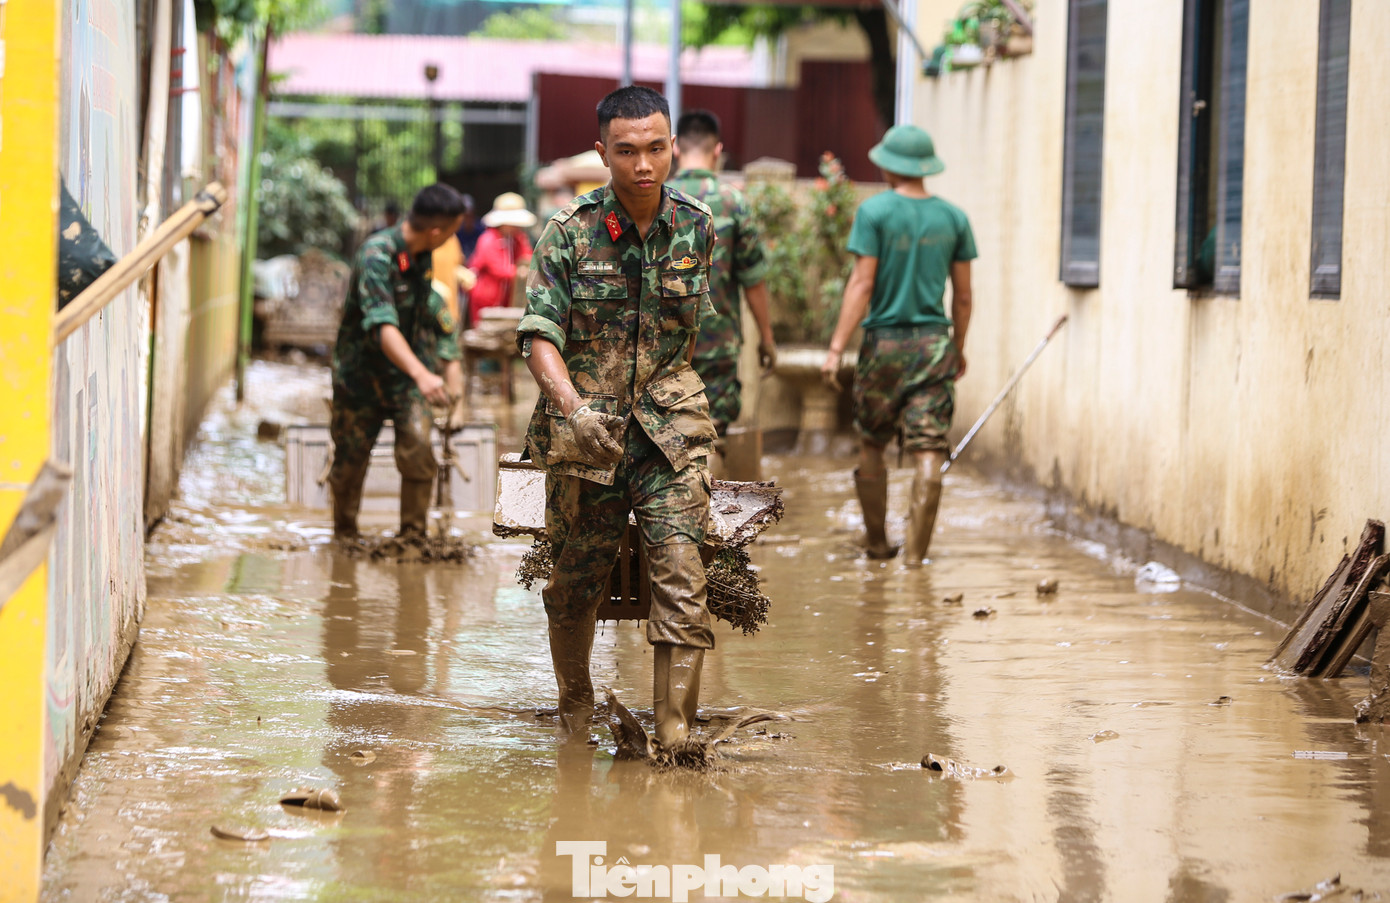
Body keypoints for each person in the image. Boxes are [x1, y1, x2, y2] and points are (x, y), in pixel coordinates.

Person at [516, 85, 718, 756]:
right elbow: (538, 334)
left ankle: (675, 734)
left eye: (656, 149)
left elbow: (688, 341)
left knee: (683, 579)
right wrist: (571, 408)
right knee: (574, 583)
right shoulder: (567, 232)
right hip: (586, 429)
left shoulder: (697, 225)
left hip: (670, 433)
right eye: (627, 151)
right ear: (603, 152)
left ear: (673, 150)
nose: (643, 165)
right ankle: (575, 712)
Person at [820, 125, 976, 565]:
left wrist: (835, 348)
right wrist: (957, 347)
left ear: (890, 165)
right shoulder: (954, 218)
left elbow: (861, 283)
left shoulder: (874, 213)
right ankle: (916, 558)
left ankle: (877, 543)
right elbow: (963, 296)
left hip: (883, 345)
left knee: (872, 442)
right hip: (933, 344)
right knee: (930, 446)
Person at [329, 183, 468, 541]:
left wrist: (454, 390)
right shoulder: (376, 255)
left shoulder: (421, 256)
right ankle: (344, 538)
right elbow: (382, 326)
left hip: (405, 380)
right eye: (453, 231)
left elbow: (432, 317)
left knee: (419, 452)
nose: (454, 239)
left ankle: (412, 540)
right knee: (349, 461)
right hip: (361, 377)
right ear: (437, 230)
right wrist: (423, 374)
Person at [666, 110, 777, 447]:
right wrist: (767, 339)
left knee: (670, 432)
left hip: (665, 343)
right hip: (718, 341)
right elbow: (753, 280)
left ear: (674, 148)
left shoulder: (657, 199)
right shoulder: (733, 202)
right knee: (711, 431)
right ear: (718, 151)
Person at [467, 192, 536, 328]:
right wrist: (519, 272)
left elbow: (528, 257)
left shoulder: (518, 239)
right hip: (486, 299)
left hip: (507, 298)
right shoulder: (488, 239)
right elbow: (497, 269)